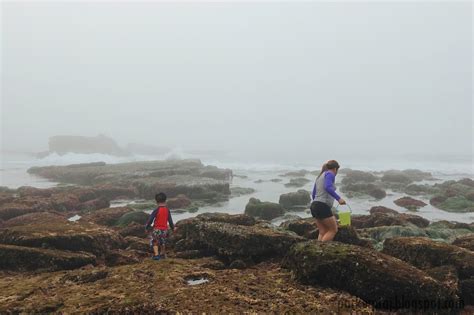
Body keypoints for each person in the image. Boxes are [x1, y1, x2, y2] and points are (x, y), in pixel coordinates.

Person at [310, 160, 346, 241]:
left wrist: (318, 204)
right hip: (322, 205)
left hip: (314, 205)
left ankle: (318, 250)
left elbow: (313, 194)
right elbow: (328, 187)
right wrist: (339, 199)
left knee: (323, 231)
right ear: (335, 169)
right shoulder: (330, 174)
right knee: (333, 230)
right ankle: (322, 251)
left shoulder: (320, 176)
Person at [145, 192, 175, 260]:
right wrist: (173, 228)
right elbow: (170, 221)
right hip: (164, 230)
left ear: (156, 201)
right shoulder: (167, 210)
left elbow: (150, 220)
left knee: (154, 241)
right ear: (165, 200)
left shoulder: (156, 210)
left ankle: (156, 255)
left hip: (157, 229)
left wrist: (147, 227)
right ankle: (162, 254)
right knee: (162, 241)